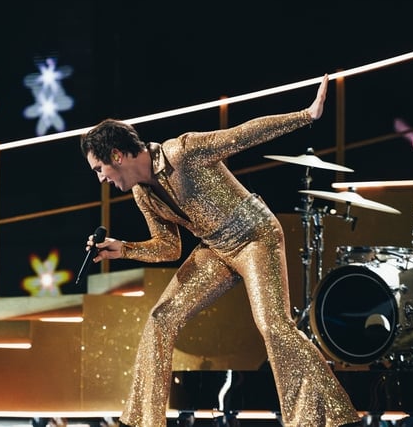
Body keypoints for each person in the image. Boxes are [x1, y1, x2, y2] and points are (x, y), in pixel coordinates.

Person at [80, 75, 360, 427]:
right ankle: (142, 422)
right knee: (159, 320)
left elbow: (244, 134)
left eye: (99, 168)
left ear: (117, 155)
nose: (101, 178)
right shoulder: (142, 193)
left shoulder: (182, 152)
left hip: (255, 236)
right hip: (216, 248)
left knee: (274, 326)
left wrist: (306, 115)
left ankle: (332, 420)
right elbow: (169, 248)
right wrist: (124, 250)